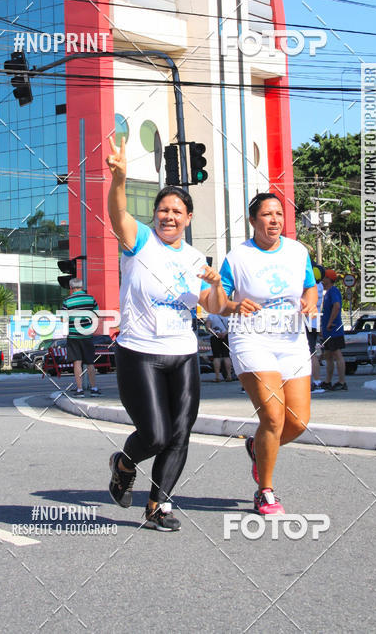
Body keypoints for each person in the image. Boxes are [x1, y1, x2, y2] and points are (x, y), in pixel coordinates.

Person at [105, 134, 228, 532]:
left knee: (180, 433)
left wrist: (215, 283)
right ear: (155, 214)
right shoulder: (139, 241)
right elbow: (117, 213)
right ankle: (124, 463)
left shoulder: (196, 258)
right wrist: (119, 178)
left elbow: (214, 308)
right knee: (155, 435)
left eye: (177, 211)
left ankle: (158, 505)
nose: (169, 216)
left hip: (183, 354)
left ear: (188, 218)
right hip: (139, 352)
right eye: (163, 209)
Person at [219, 192, 317, 516]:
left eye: (278, 214)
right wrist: (233, 304)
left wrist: (311, 301)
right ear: (253, 221)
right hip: (251, 339)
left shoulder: (298, 251)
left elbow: (309, 285)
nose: (274, 219)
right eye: (266, 214)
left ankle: (255, 446)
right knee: (273, 417)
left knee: (298, 422)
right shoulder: (238, 257)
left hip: (291, 340)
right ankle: (265, 491)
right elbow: (216, 296)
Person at [63, 280, 101, 396]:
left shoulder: (67, 301)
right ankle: (94, 388)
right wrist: (92, 328)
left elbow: (63, 319)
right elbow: (97, 315)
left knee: (77, 363)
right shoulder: (91, 299)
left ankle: (80, 390)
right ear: (82, 286)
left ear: (71, 287)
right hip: (87, 335)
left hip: (73, 336)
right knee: (90, 362)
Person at [321, 269, 347, 392]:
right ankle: (328, 381)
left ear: (328, 279)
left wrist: (330, 322)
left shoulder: (333, 291)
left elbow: (336, 306)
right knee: (328, 355)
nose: (322, 279)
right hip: (328, 330)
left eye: (324, 277)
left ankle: (342, 382)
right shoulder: (328, 293)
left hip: (334, 329)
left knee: (337, 354)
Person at [308, 264, 325, 394]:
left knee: (309, 355)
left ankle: (315, 382)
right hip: (314, 323)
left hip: (306, 323)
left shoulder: (311, 288)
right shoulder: (320, 287)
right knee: (312, 353)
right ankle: (316, 381)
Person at [206, 313, 234, 382]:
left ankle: (217, 376)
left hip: (215, 337)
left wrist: (216, 333)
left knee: (216, 357)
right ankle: (229, 375)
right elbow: (232, 326)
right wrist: (224, 333)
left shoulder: (211, 315)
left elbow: (208, 327)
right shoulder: (228, 314)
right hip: (226, 336)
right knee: (227, 356)